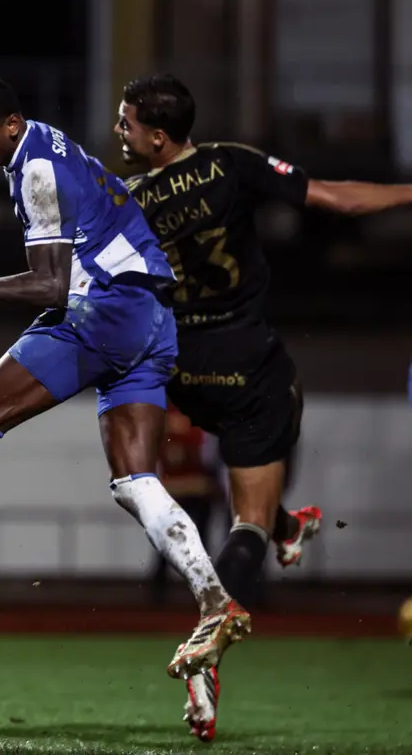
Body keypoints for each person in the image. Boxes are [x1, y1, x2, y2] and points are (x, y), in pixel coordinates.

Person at [0, 75, 248, 686]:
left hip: (108, 310)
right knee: (134, 480)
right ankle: (214, 602)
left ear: (10, 127)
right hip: (154, 318)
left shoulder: (36, 169)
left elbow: (48, 287)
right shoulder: (51, 144)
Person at [114, 72, 412, 738]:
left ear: (156, 136)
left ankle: (286, 525)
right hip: (247, 363)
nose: (119, 131)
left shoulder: (128, 199)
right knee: (243, 516)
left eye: (125, 122)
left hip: (179, 372)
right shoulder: (230, 163)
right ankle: (213, 628)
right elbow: (340, 200)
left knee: (254, 491)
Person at [150, 404, 222, 607]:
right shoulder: (167, 430)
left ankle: (200, 593)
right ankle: (165, 593)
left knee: (187, 544)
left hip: (189, 492)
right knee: (168, 545)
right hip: (182, 491)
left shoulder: (196, 429)